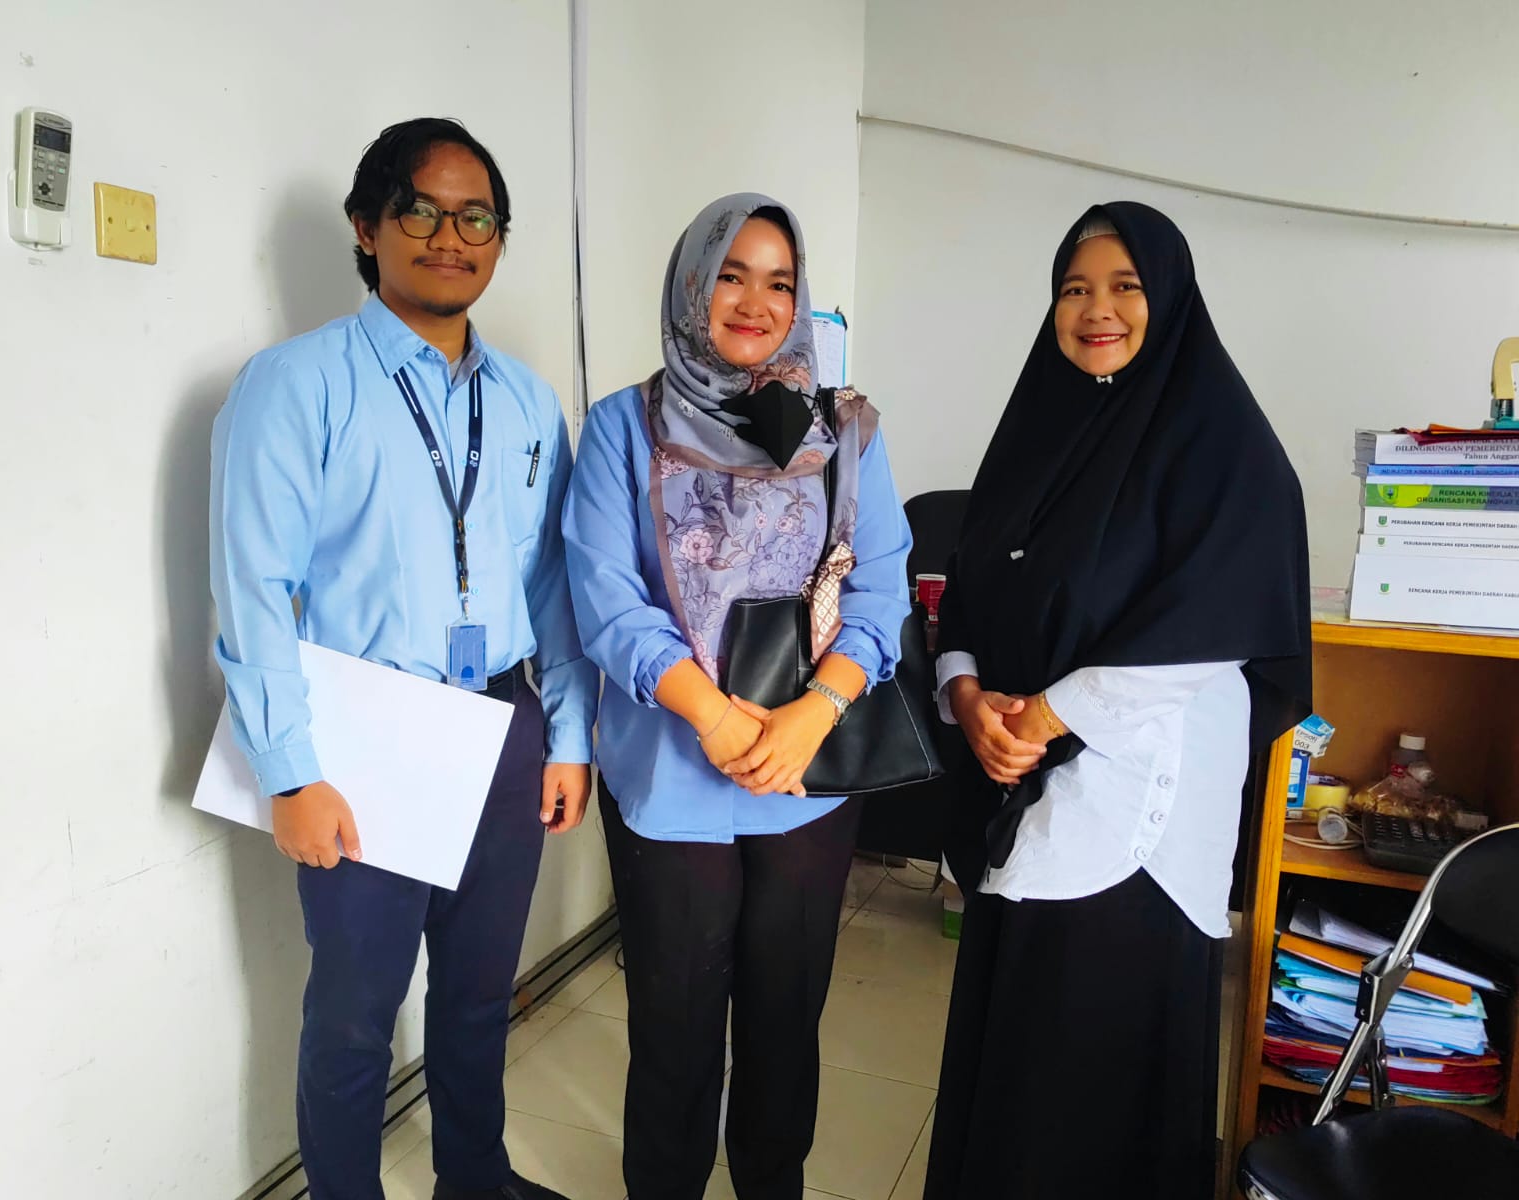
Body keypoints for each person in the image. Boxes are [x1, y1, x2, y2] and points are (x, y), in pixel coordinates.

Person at [208, 117, 598, 1200]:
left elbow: (552, 584)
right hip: (362, 734)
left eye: (477, 217)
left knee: (477, 996)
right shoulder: (295, 385)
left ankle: (476, 1178)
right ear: (366, 225)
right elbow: (253, 589)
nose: (448, 236)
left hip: (505, 728)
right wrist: (288, 770)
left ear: (499, 238)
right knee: (354, 1015)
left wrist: (568, 737)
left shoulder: (526, 403)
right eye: (420, 209)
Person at [924, 202, 1311, 1200]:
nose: (1096, 310)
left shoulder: (1223, 443)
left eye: (1124, 287)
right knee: (1014, 1076)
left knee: (1090, 1090)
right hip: (1017, 785)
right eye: (1074, 289)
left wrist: (1045, 717)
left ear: (1168, 298)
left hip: (1136, 813)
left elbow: (1215, 621)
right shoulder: (1036, 433)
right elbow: (969, 588)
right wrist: (966, 695)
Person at [562, 194, 913, 1200]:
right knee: (673, 1026)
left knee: (783, 1022)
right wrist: (713, 715)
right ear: (691, 285)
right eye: (731, 274)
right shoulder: (622, 426)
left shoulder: (843, 430)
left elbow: (881, 589)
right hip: (673, 771)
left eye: (780, 282)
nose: (755, 302)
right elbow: (604, 596)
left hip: (806, 772)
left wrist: (814, 713)